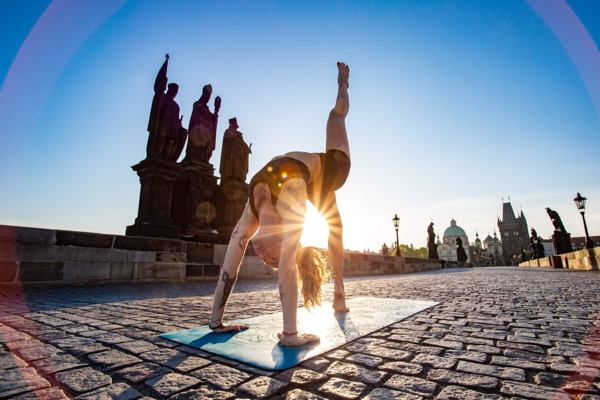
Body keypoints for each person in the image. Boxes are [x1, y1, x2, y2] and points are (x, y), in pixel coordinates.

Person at [208, 62, 351, 347]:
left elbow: (247, 263)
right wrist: (290, 335)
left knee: (335, 229)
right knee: (335, 116)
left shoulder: (255, 206)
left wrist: (217, 320)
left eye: (269, 262)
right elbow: (275, 263)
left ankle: (339, 293)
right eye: (275, 260)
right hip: (320, 174)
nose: (266, 259)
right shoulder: (290, 195)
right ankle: (343, 83)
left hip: (322, 174)